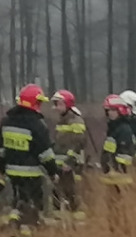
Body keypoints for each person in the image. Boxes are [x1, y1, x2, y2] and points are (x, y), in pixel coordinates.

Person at [0, 84, 59, 236]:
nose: (40, 106)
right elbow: (45, 153)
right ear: (34, 103)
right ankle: (28, 230)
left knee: (18, 201)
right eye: (39, 103)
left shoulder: (6, 121)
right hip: (31, 174)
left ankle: (14, 224)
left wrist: (1, 166)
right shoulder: (37, 124)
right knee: (34, 205)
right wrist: (53, 171)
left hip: (11, 172)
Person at [49, 89, 87, 219]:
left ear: (67, 104)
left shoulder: (75, 121)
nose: (56, 108)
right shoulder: (63, 120)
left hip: (72, 165)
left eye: (58, 104)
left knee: (71, 193)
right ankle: (60, 221)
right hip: (61, 164)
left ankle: (77, 221)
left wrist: (70, 162)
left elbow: (78, 143)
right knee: (57, 193)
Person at [100, 94, 136, 182]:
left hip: (120, 176)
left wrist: (115, 167)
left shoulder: (124, 129)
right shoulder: (113, 128)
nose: (109, 113)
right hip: (112, 174)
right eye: (108, 110)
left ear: (120, 110)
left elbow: (124, 154)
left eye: (113, 110)